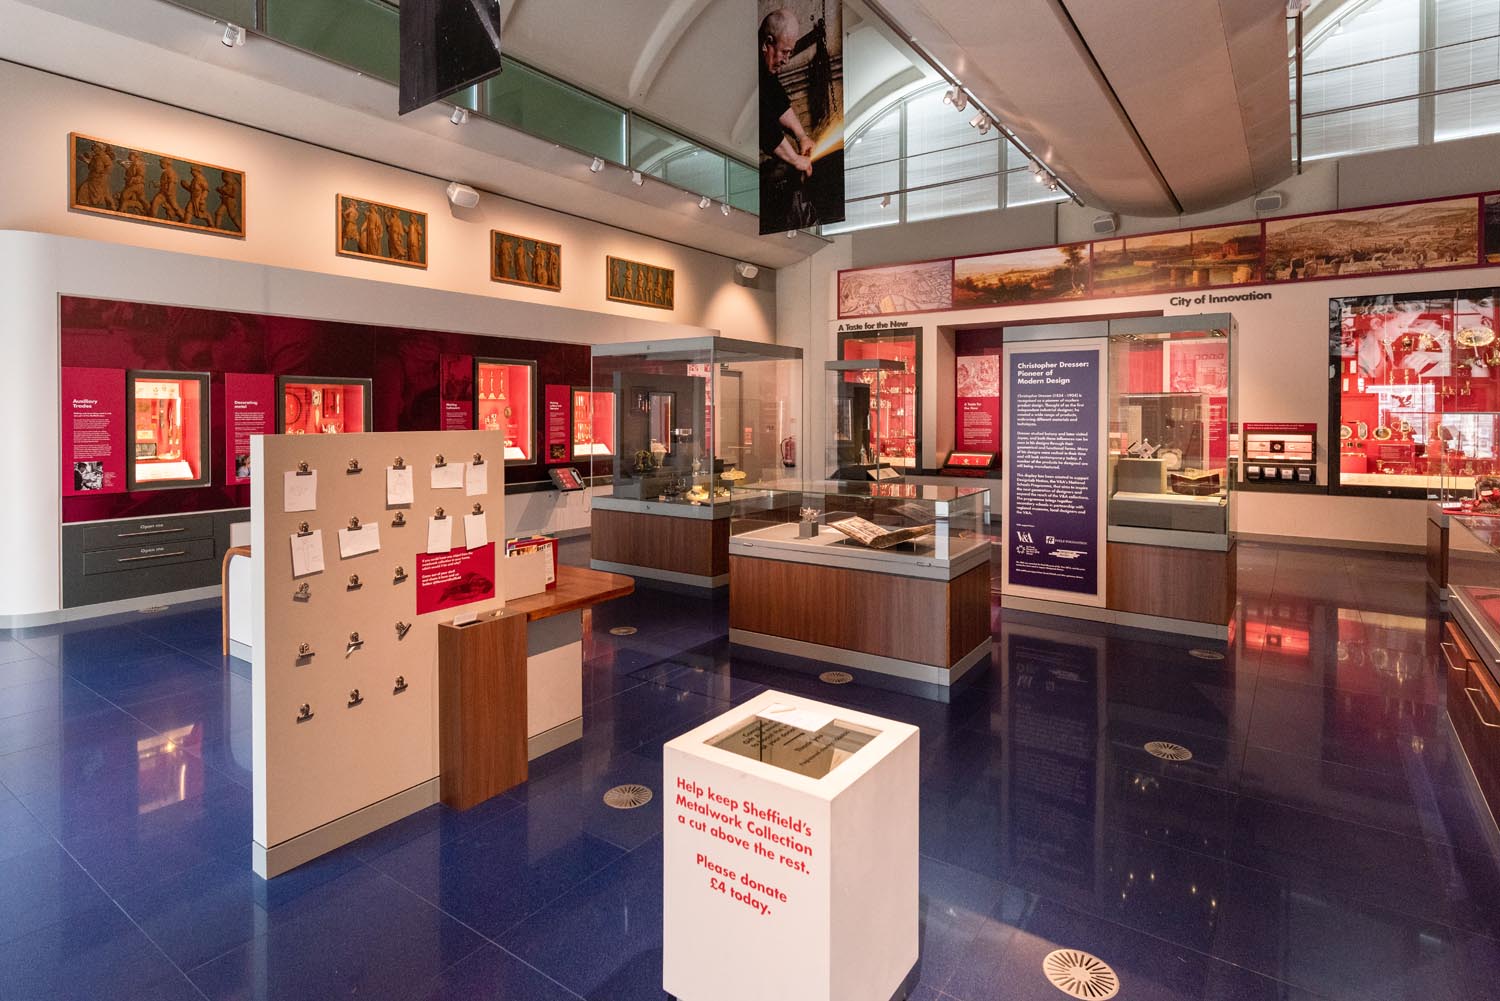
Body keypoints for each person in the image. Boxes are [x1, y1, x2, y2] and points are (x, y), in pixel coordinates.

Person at [759, 9, 814, 180]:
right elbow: (763, 121)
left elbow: (777, 98)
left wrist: (802, 136)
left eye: (790, 53)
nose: (786, 60)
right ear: (767, 43)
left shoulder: (764, 69)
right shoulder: (746, 65)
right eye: (784, 51)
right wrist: (795, 160)